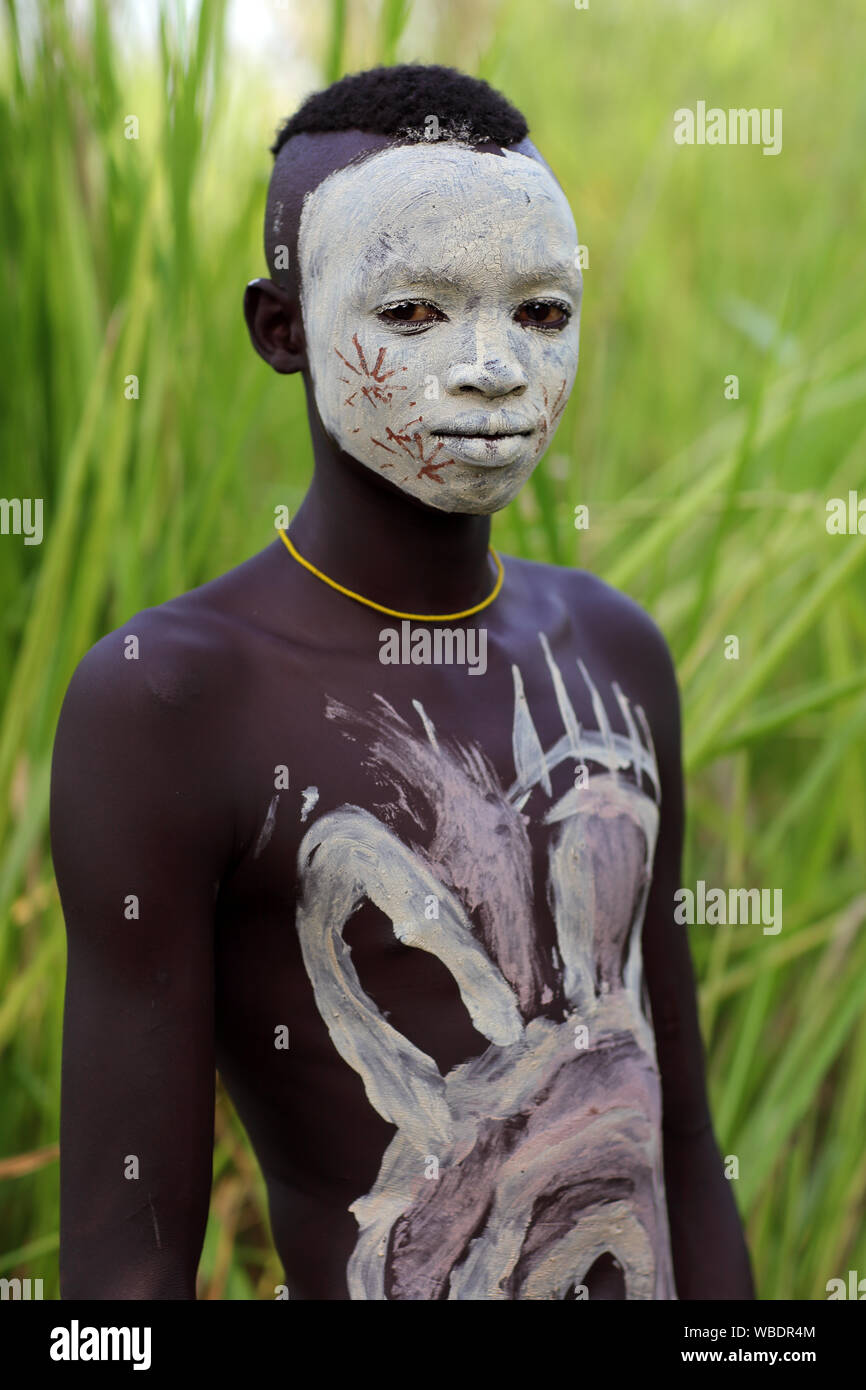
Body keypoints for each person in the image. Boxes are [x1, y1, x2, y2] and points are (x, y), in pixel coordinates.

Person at [50, 63, 754, 1300]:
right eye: (415, 314)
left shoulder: (609, 652)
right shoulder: (170, 699)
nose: (492, 368)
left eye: (539, 312)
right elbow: (121, 1271)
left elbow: (680, 1141)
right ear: (282, 330)